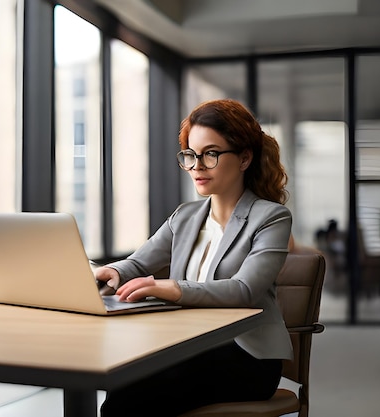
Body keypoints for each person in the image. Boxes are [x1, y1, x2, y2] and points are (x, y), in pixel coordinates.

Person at [94, 98, 293, 417]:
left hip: (247, 357)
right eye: (190, 155)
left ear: (244, 158)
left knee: (129, 399)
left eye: (211, 154)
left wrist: (173, 289)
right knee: (125, 390)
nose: (197, 166)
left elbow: (244, 290)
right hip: (188, 345)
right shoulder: (184, 217)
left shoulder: (271, 218)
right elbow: (136, 264)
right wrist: (112, 272)